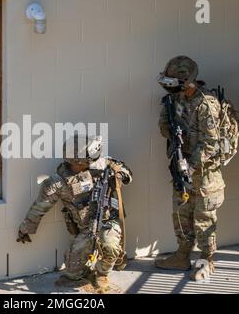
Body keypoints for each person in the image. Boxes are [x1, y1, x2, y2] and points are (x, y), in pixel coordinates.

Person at [17, 135, 132, 293]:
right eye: (87, 159)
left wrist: (119, 176)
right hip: (86, 229)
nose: (91, 160)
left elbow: (126, 172)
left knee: (110, 246)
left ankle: (102, 273)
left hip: (107, 222)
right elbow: (40, 207)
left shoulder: (103, 165)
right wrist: (25, 228)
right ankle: (87, 268)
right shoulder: (58, 182)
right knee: (72, 274)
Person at [156, 55, 226, 281]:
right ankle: (182, 255)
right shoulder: (174, 100)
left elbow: (211, 143)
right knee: (181, 214)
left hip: (204, 174)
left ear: (186, 80)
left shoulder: (206, 103)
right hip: (181, 167)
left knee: (204, 219)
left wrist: (191, 165)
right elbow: (164, 128)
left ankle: (207, 261)